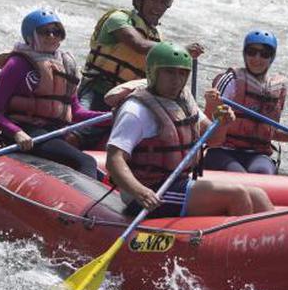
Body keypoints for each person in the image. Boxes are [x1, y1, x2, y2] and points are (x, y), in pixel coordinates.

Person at [106, 41, 275, 219]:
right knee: (237, 195)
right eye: (169, 72)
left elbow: (213, 140)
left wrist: (223, 123)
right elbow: (114, 159)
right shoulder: (136, 110)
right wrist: (140, 192)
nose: (177, 80)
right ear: (153, 72)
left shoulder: (184, 101)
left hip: (178, 183)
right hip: (148, 192)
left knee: (258, 195)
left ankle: (274, 243)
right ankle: (236, 244)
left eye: (182, 73)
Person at [77, 0, 203, 147]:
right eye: (154, 0)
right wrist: (181, 49)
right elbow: (138, 44)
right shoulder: (118, 19)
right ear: (139, 0)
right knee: (80, 131)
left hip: (127, 97)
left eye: (163, 3)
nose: (158, 7)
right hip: (97, 89)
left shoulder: (158, 38)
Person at [0, 8, 103, 179]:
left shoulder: (66, 65)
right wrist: (17, 132)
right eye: (44, 32)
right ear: (29, 36)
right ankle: (90, 206)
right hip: (26, 133)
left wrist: (111, 116)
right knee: (87, 162)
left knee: (97, 175)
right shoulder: (16, 65)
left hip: (54, 134)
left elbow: (76, 111)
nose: (51, 36)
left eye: (57, 32)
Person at [202, 30, 288, 174]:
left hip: (257, 154)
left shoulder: (278, 88)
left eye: (264, 54)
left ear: (271, 58)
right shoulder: (231, 80)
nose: (257, 58)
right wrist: (211, 104)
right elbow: (208, 124)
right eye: (251, 52)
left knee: (262, 172)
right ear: (244, 54)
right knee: (238, 174)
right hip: (222, 150)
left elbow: (272, 132)